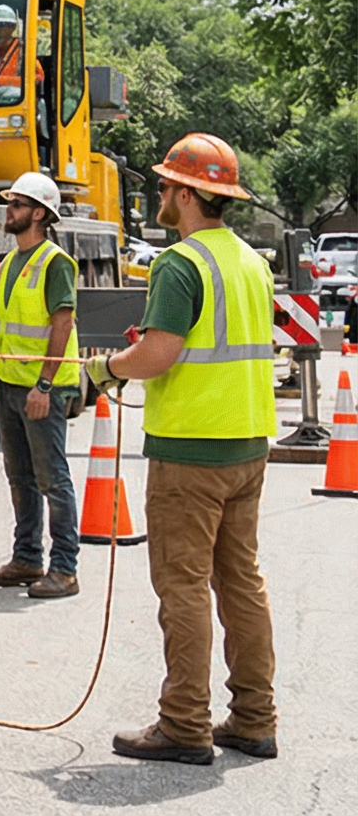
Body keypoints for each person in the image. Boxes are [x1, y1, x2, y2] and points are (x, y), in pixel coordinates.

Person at [87, 132, 278, 765]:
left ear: (191, 195)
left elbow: (161, 353)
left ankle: (184, 724)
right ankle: (254, 718)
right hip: (248, 442)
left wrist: (108, 368)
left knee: (185, 587)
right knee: (241, 582)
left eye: (168, 185)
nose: (160, 193)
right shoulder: (251, 261)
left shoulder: (180, 263)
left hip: (191, 451)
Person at [0, 171, 82, 598]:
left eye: (18, 205)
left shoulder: (54, 262)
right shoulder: (13, 262)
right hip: (11, 384)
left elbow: (62, 325)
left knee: (52, 478)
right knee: (19, 476)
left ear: (40, 213)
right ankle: (26, 558)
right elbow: (8, 330)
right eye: (11, 203)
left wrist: (44, 385)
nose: (10, 210)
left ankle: (64, 568)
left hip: (43, 389)